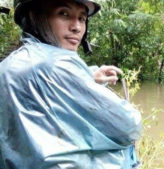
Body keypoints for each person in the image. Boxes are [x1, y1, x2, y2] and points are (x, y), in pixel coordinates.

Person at [0, 0, 142, 168]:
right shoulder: (59, 63)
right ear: (34, 17)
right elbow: (128, 126)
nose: (77, 27)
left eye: (82, 18)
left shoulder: (8, 64)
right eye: (64, 14)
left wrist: (86, 78)